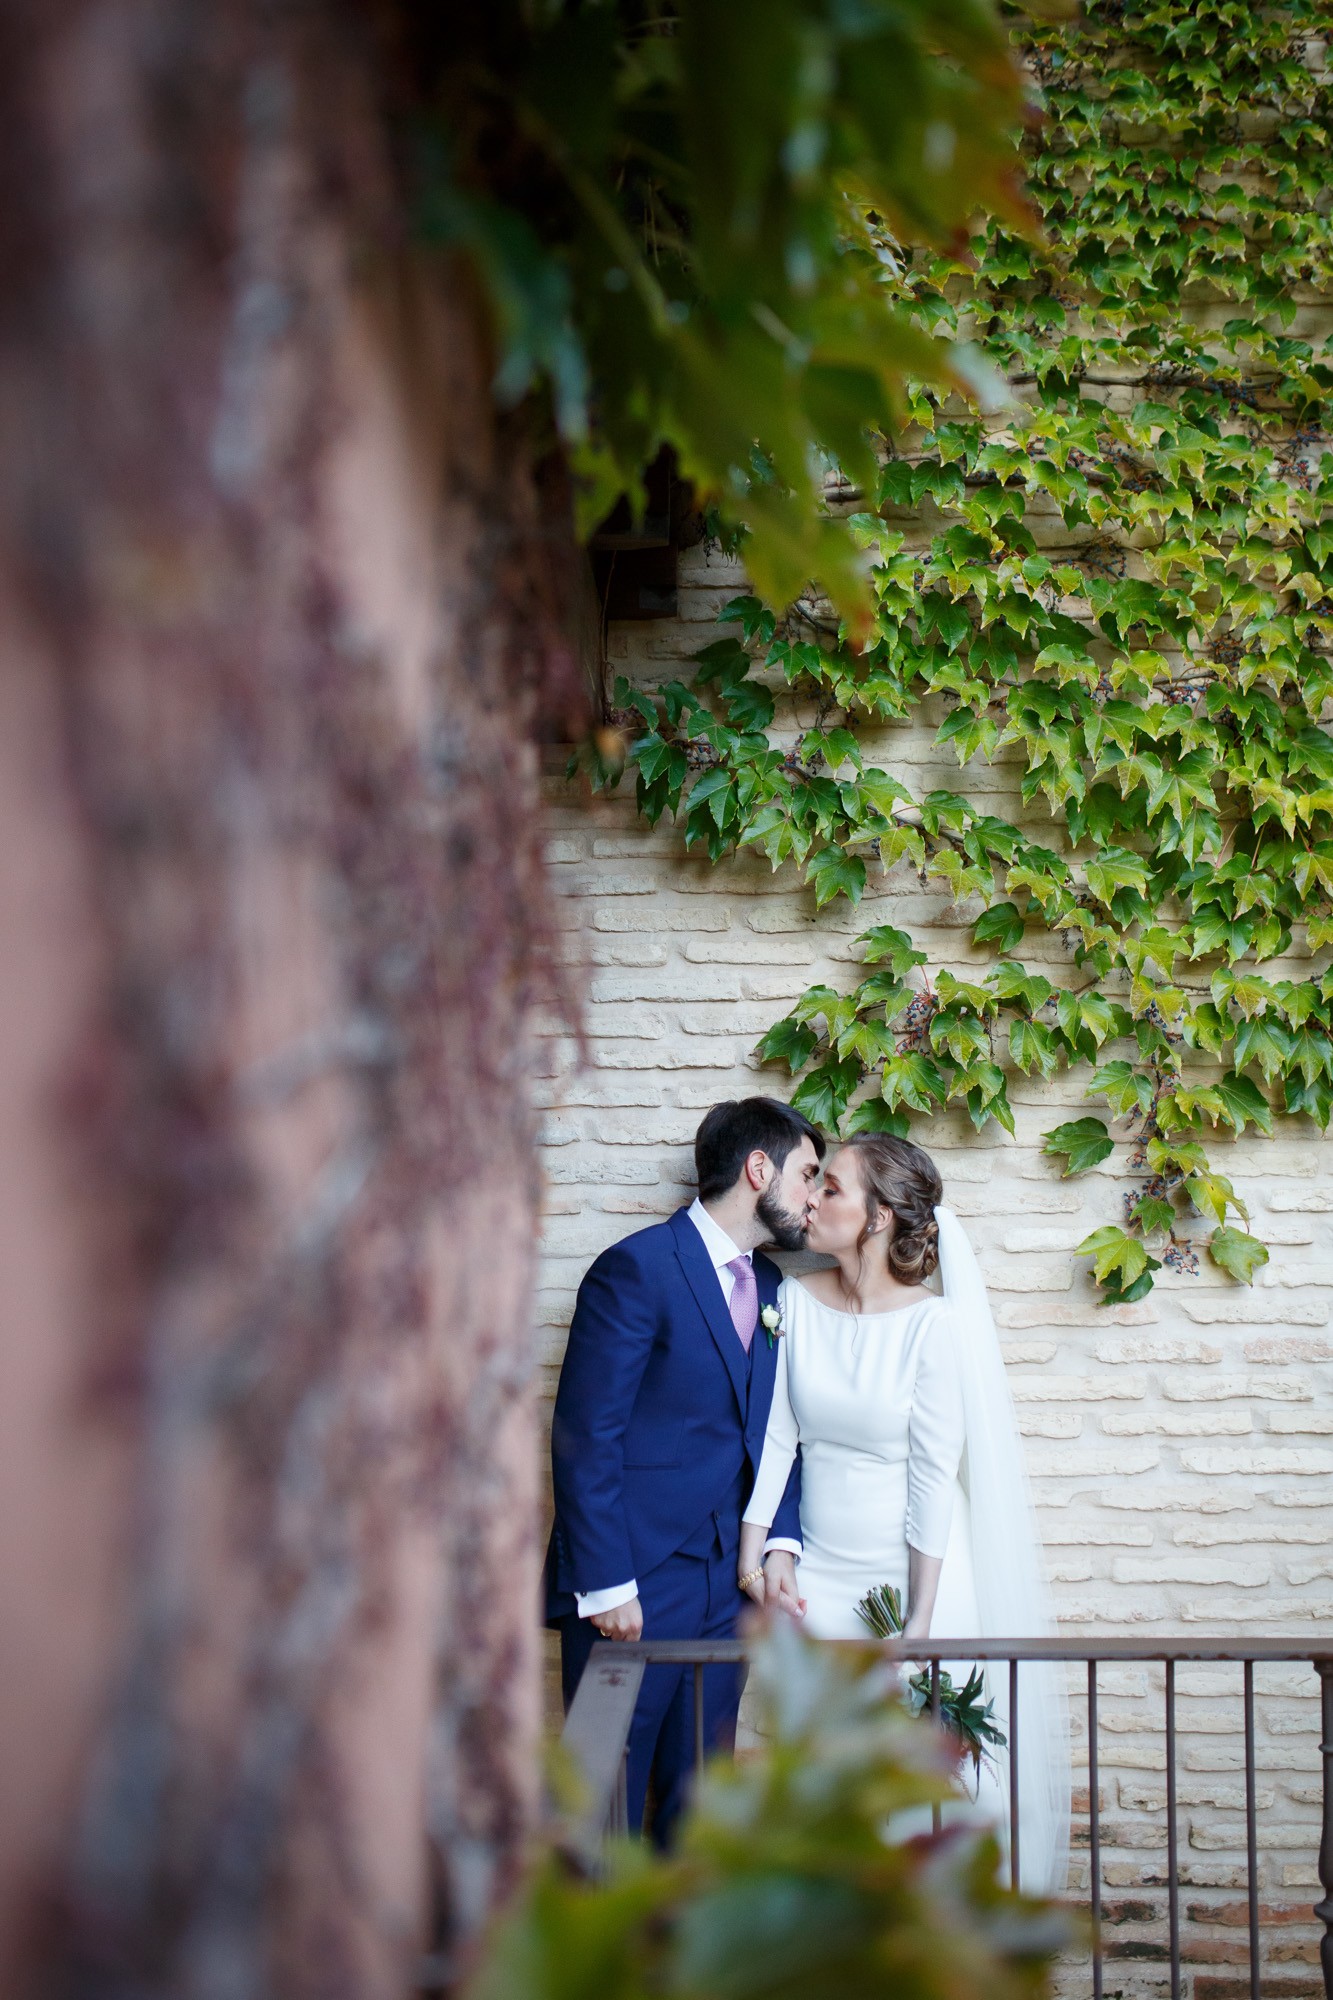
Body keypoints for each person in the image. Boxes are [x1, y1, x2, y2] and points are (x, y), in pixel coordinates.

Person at [737, 1132, 1070, 1893]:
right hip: (819, 1574)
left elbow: (930, 1475)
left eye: (830, 1188)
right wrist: (752, 1555)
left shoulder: (933, 1326)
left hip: (914, 1578)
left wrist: (920, 1623)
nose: (810, 1199)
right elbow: (778, 1440)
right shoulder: (792, 1302)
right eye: (813, 1183)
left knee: (928, 1785)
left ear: (878, 1217)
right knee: (828, 1784)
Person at [545, 1096, 824, 1845]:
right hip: (631, 1582)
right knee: (598, 1795)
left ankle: (680, 1961)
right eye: (807, 1176)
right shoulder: (635, 1268)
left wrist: (777, 1545)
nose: (813, 1199)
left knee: (698, 1801)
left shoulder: (773, 1293)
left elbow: (777, 1436)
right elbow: (585, 1435)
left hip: (724, 1589)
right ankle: (595, 1963)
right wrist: (604, 1582)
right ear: (756, 1168)